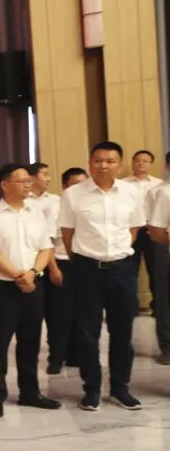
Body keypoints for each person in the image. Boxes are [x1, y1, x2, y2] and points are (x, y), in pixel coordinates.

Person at [58, 142, 145, 411]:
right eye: (98, 160)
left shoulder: (131, 193)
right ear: (90, 163)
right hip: (86, 270)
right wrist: (86, 259)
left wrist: (116, 255)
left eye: (110, 161)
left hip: (122, 270)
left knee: (122, 331)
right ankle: (92, 389)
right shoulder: (73, 195)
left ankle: (120, 388)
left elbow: (133, 230)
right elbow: (68, 234)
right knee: (87, 333)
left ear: (119, 165)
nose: (103, 165)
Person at [0, 164, 60, 417]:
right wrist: (17, 275)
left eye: (29, 180)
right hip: (3, 288)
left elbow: (45, 247)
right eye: (22, 181)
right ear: (5, 185)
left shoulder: (36, 213)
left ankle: (30, 392)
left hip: (33, 285)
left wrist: (33, 273)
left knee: (30, 341)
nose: (29, 184)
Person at [45, 167, 89, 373]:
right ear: (64, 185)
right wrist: (54, 269)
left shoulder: (89, 204)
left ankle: (76, 356)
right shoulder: (55, 206)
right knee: (60, 315)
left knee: (83, 312)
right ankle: (56, 358)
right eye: (76, 183)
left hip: (85, 263)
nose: (81, 187)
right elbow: (47, 241)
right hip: (62, 263)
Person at [124, 150, 162, 301]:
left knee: (156, 270)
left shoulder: (159, 184)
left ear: (151, 164)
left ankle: (158, 306)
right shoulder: (123, 184)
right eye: (137, 160)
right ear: (132, 163)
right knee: (129, 270)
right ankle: (131, 306)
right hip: (130, 230)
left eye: (145, 161)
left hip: (151, 230)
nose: (141, 163)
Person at [144, 171, 170, 365]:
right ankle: (167, 347)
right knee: (165, 299)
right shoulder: (164, 192)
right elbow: (156, 230)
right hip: (165, 248)